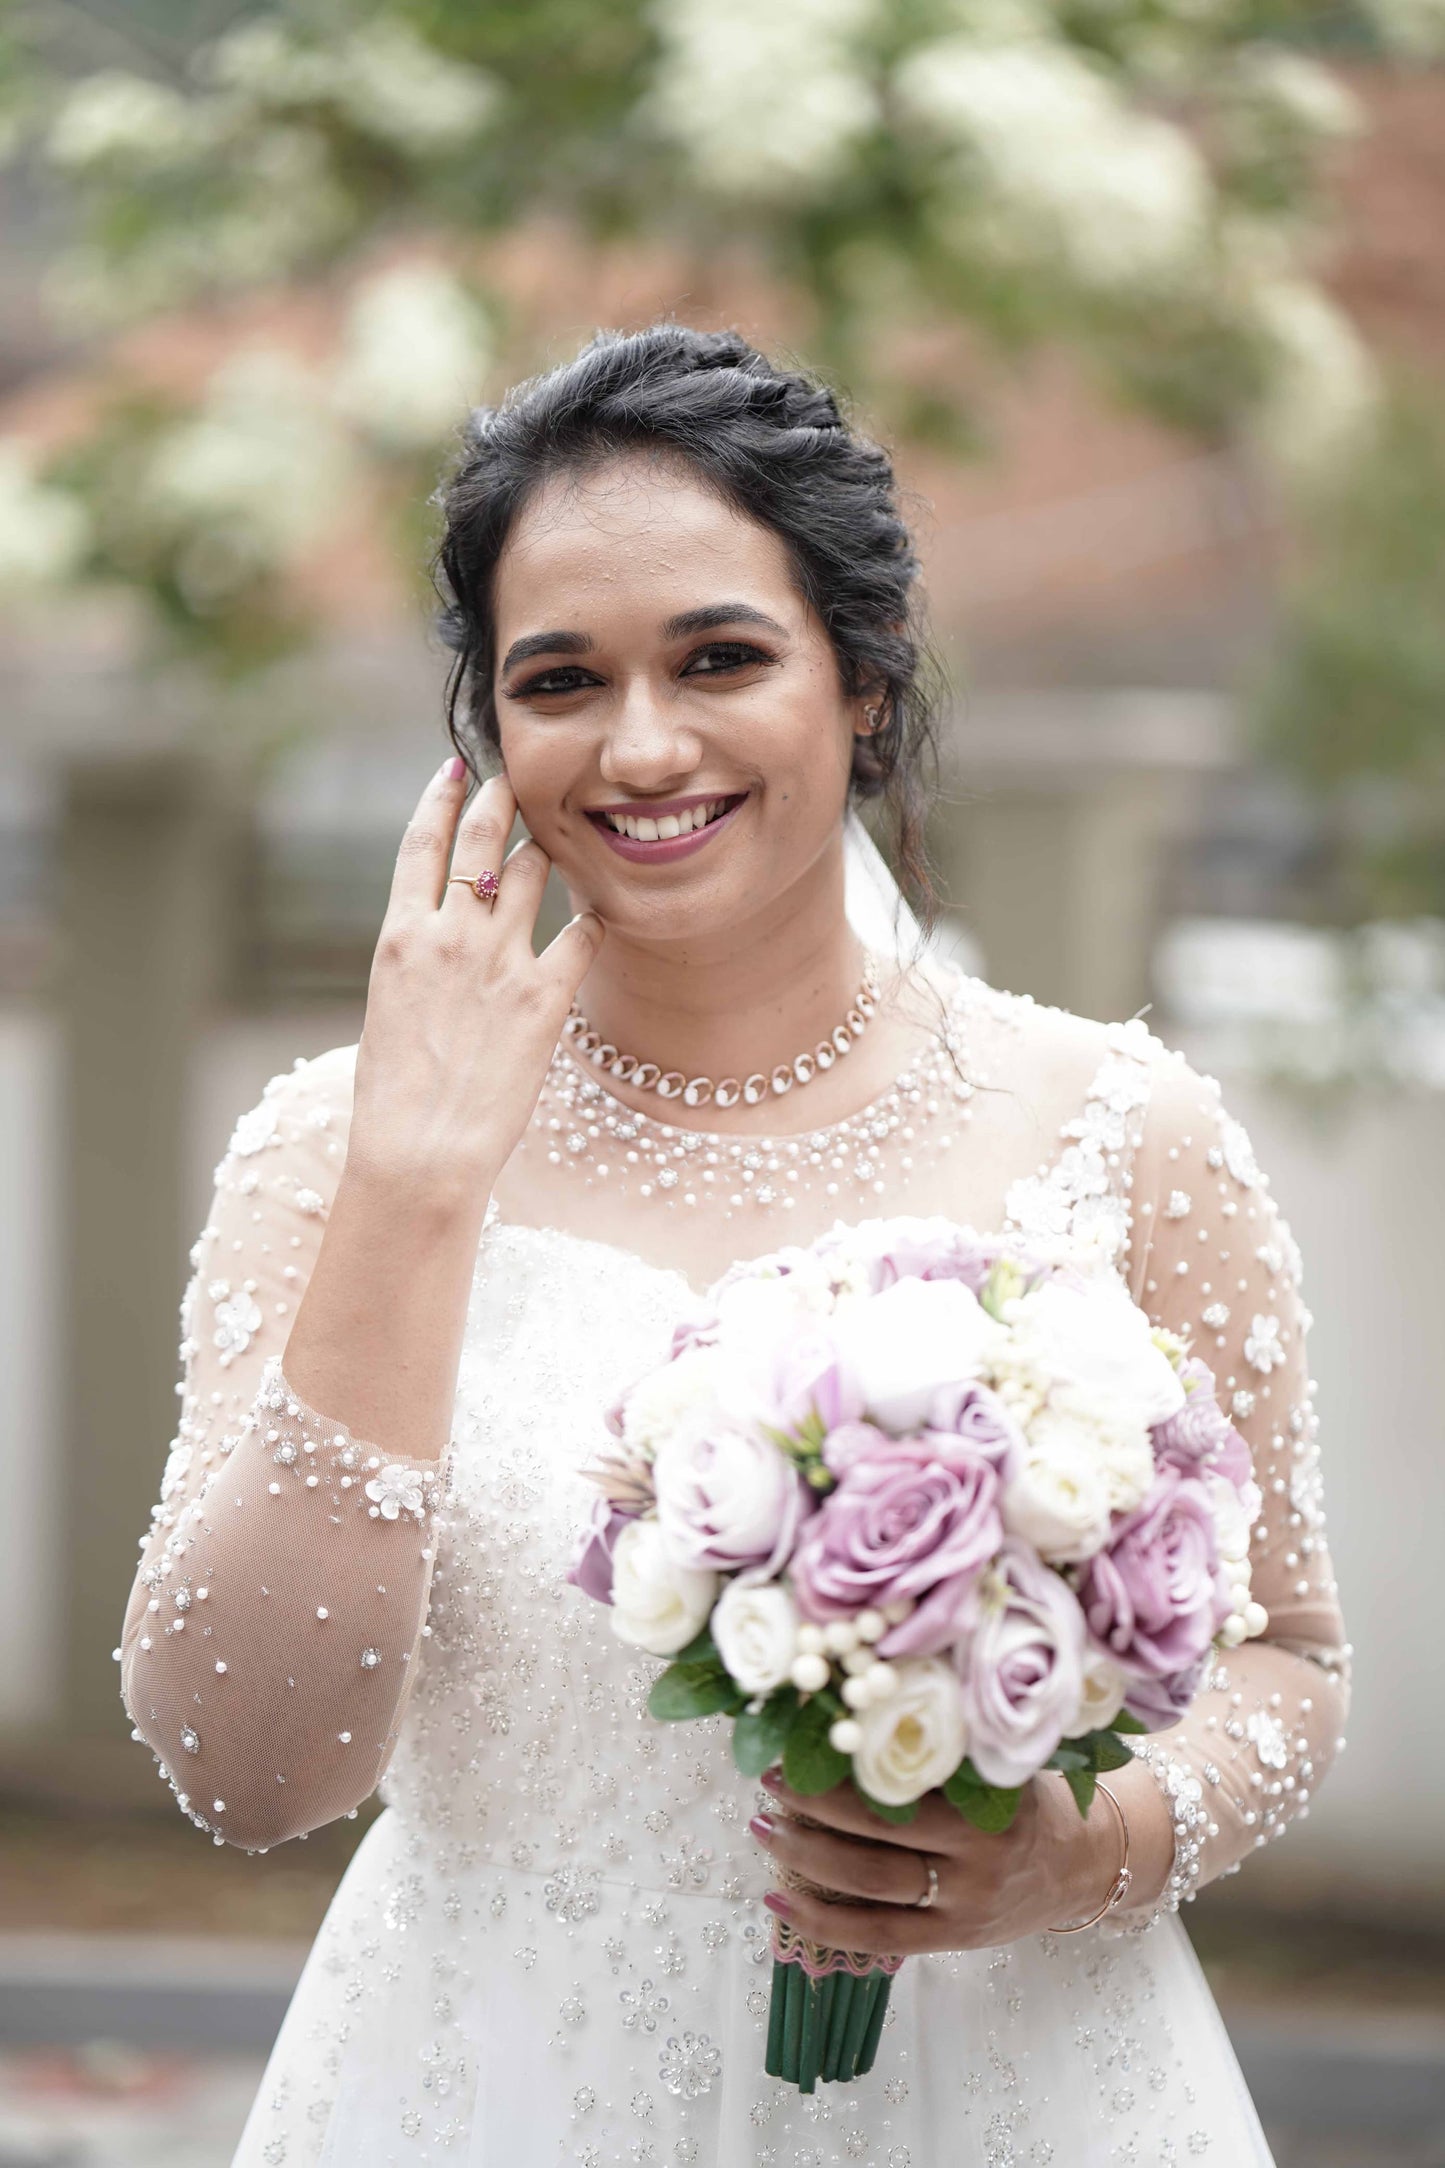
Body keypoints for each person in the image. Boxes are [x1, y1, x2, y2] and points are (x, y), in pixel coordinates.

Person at [119, 325, 1350, 2166]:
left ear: (859, 680)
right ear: (489, 733)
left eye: (719, 657)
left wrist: (1088, 1849)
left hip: (1005, 2085)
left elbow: (1286, 1662)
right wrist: (415, 1185)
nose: (639, 745)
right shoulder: (337, 1151)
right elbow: (245, 1766)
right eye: (558, 680)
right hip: (488, 2079)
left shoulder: (1118, 1135)